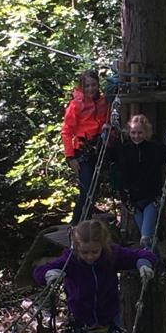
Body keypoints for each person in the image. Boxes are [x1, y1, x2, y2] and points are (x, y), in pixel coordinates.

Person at [114, 114, 166, 248]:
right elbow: (112, 161)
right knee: (147, 237)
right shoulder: (125, 150)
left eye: (140, 132)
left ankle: (149, 259)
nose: (136, 136)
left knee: (146, 237)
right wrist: (105, 137)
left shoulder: (154, 148)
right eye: (133, 132)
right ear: (129, 132)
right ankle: (153, 261)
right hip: (133, 200)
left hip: (151, 198)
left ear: (146, 132)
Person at [61, 69, 109, 223]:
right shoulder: (76, 105)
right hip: (81, 150)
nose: (90, 89)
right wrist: (70, 157)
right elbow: (66, 131)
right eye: (87, 86)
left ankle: (84, 224)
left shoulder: (102, 102)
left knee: (94, 191)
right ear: (81, 86)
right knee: (86, 190)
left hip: (98, 147)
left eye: (93, 85)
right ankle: (76, 225)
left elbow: (104, 121)